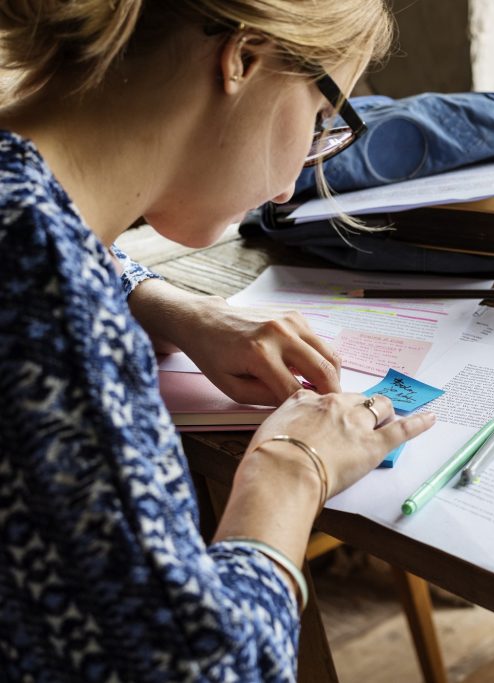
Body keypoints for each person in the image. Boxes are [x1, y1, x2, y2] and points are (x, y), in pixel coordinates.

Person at [0, 1, 436, 680]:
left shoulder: (27, 218)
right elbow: (198, 669)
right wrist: (291, 471)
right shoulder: (46, 288)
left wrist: (162, 303)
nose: (291, 185)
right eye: (324, 119)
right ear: (243, 58)